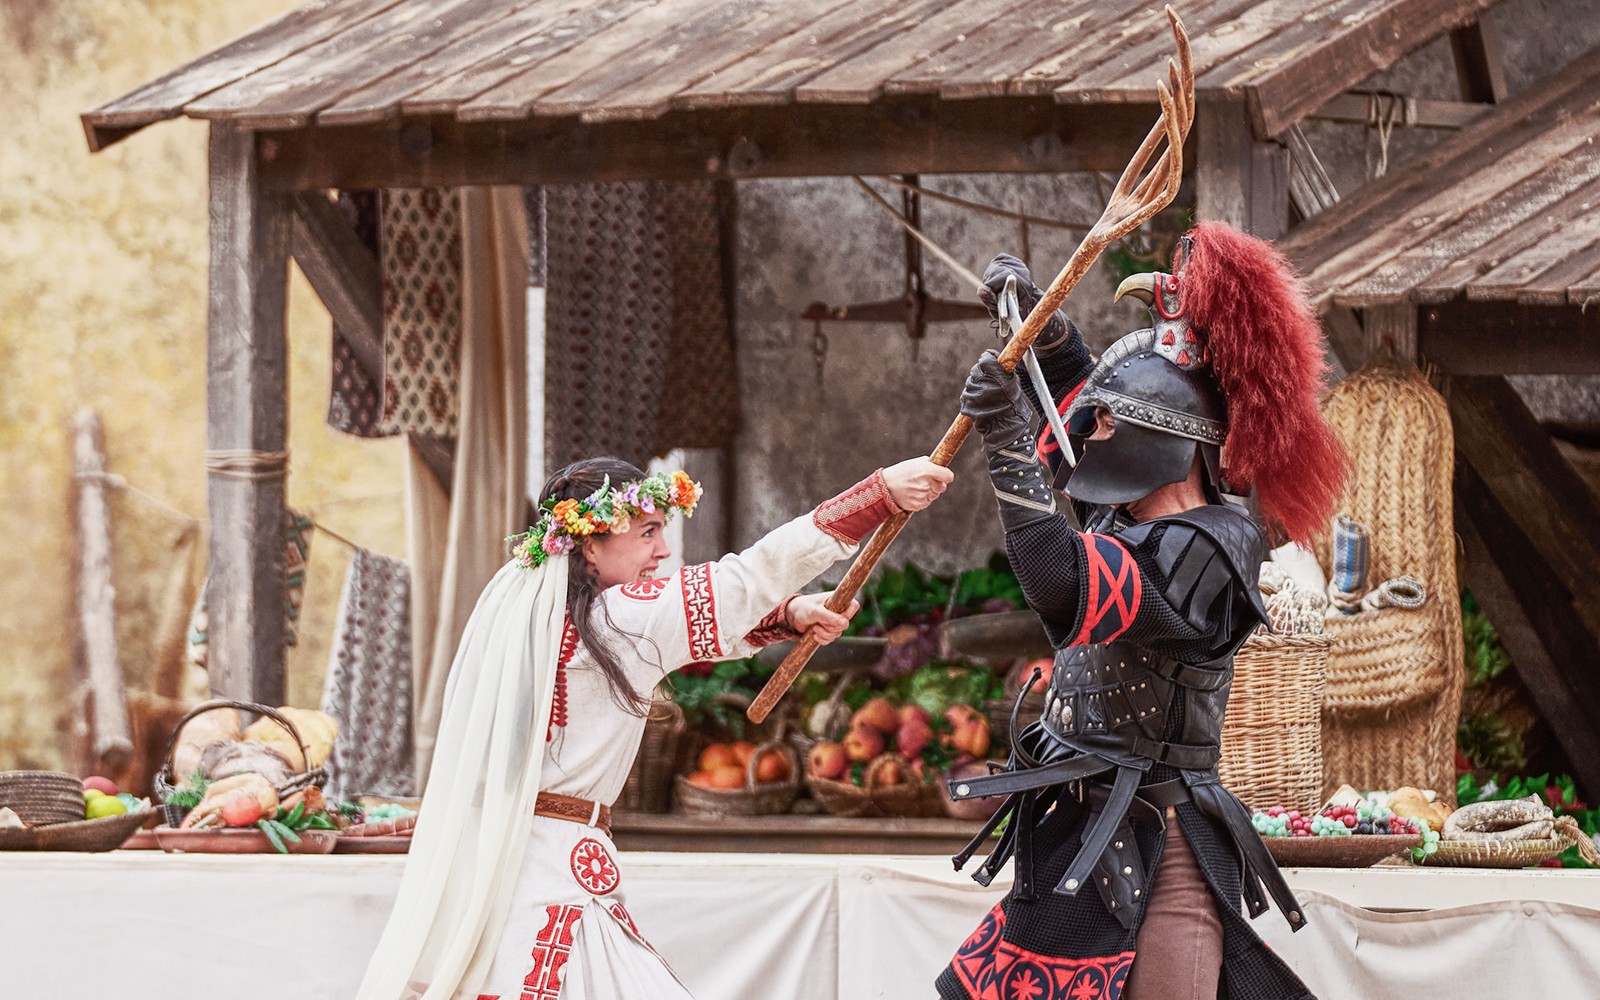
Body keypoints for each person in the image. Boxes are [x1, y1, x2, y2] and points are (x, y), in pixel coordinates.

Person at [356, 455, 953, 1000]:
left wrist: (785, 616)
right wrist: (876, 497)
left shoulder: (553, 618)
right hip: (557, 881)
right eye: (647, 533)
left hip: (518, 869)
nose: (663, 550)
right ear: (588, 548)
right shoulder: (613, 616)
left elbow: (683, 622)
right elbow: (741, 580)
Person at [938, 222, 1348, 1000]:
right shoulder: (1126, 514)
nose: (1085, 435)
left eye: (1106, 425)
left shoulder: (1212, 544)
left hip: (1162, 851)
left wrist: (1003, 440)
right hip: (1082, 841)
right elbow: (1085, 407)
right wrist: (1045, 327)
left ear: (1161, 442)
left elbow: (1059, 581)